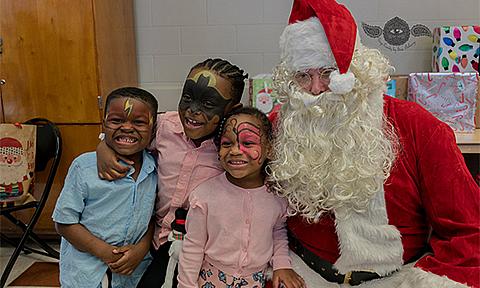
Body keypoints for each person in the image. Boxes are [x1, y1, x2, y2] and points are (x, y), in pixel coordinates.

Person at [267, 0, 480, 287]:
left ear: (356, 69)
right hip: (300, 274)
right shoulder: (278, 126)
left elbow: (468, 230)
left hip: (397, 279)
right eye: (304, 76)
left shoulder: (418, 127)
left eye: (328, 72)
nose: (316, 89)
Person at [96, 58, 248, 287]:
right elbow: (127, 133)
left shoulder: (231, 147)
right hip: (159, 240)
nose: (192, 111)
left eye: (208, 103)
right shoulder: (165, 126)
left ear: (232, 109)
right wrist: (103, 147)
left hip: (204, 247)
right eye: (187, 98)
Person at [178, 107, 305, 288]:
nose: (235, 151)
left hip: (256, 281)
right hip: (210, 280)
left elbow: (277, 232)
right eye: (227, 144)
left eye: (248, 143)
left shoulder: (277, 196)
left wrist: (282, 265)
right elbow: (192, 248)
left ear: (269, 149)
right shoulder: (204, 196)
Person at [52, 87, 159, 287]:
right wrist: (104, 251)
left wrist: (141, 249)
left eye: (139, 122)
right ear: (103, 125)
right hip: (87, 274)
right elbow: (64, 222)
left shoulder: (155, 169)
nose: (127, 128)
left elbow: (152, 217)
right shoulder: (84, 167)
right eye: (116, 120)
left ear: (153, 131)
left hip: (134, 272)